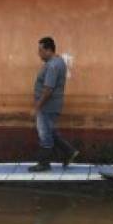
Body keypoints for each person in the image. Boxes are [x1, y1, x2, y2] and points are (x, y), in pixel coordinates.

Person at [29, 36, 79, 173]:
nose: (38, 53)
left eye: (40, 50)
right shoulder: (58, 62)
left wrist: (38, 106)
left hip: (47, 106)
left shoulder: (52, 65)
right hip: (52, 105)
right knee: (51, 132)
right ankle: (69, 152)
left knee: (45, 135)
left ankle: (44, 164)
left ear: (49, 50)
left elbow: (48, 89)